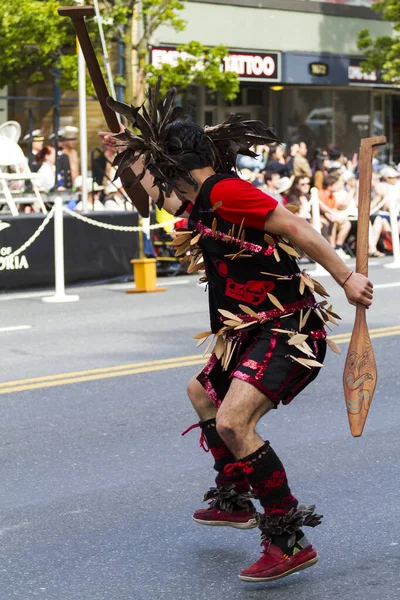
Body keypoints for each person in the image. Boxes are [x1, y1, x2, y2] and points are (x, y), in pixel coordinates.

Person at [99, 85, 373, 584]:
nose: (159, 181)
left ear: (174, 163)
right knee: (201, 394)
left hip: (287, 328)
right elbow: (148, 202)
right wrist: (123, 157)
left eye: (158, 166)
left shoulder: (225, 192)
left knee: (232, 422)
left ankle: (289, 539)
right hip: (246, 332)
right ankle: (233, 497)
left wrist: (346, 277)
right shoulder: (201, 197)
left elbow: (294, 226)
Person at [318, 174, 352, 259]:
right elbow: (321, 210)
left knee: (346, 224)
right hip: (321, 217)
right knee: (332, 222)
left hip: (330, 216)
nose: (339, 186)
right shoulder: (320, 193)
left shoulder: (332, 196)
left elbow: (334, 211)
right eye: (336, 184)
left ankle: (338, 247)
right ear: (330, 185)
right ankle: (332, 248)